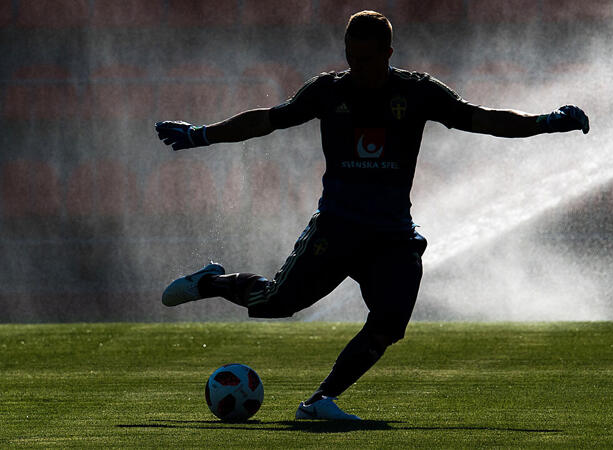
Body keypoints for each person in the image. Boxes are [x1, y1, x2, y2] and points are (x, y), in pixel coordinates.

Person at [156, 10, 589, 421]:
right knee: (275, 304)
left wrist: (544, 122)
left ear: (388, 54)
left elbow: (481, 119)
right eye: (350, 57)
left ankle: (320, 401)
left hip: (392, 236)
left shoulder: (418, 92)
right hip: (337, 228)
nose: (355, 67)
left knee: (389, 323)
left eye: (365, 58)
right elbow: (268, 120)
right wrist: (201, 135)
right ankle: (209, 281)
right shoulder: (328, 91)